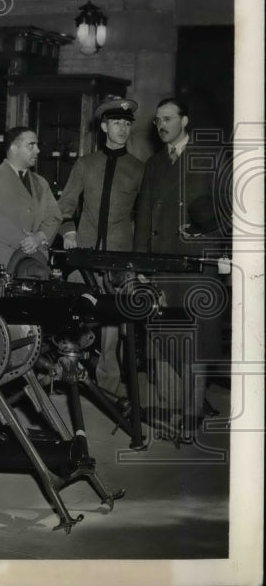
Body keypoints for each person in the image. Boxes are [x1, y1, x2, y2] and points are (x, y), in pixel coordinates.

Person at [134, 98, 226, 435]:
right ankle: (189, 403)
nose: (161, 125)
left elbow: (232, 206)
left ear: (184, 121)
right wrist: (140, 261)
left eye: (168, 119)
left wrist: (206, 227)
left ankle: (191, 412)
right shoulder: (155, 163)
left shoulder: (210, 156)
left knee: (197, 338)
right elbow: (143, 215)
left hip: (197, 260)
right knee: (167, 334)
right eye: (158, 120)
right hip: (162, 261)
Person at [57, 96, 144, 397]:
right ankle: (66, 377)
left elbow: (144, 216)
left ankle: (107, 386)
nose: (123, 128)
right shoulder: (85, 164)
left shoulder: (138, 169)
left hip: (119, 259)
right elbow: (65, 206)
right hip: (84, 254)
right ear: (104, 126)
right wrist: (68, 231)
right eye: (117, 123)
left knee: (111, 325)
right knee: (73, 316)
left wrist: (138, 260)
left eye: (127, 123)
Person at [0, 127, 61, 273]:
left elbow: (54, 216)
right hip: (1, 263)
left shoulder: (40, 182)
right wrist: (26, 242)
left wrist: (39, 237)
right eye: (31, 145)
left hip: (36, 265)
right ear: (14, 148)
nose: (38, 151)